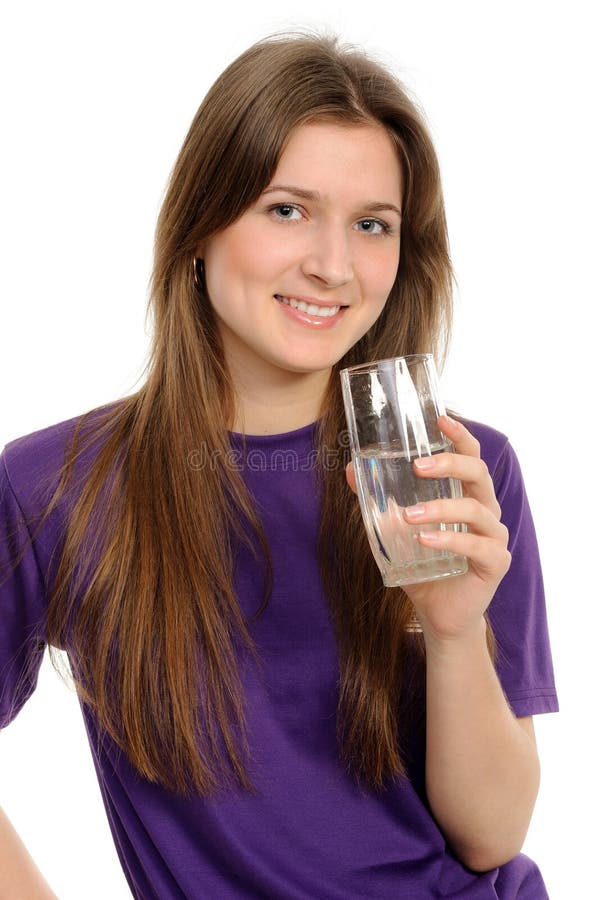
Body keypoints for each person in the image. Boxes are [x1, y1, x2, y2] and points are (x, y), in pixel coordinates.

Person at [0, 29, 558, 900]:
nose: (332, 267)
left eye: (371, 225)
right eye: (286, 209)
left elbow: (489, 839)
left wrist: (453, 632)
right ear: (198, 227)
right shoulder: (57, 488)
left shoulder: (459, 471)